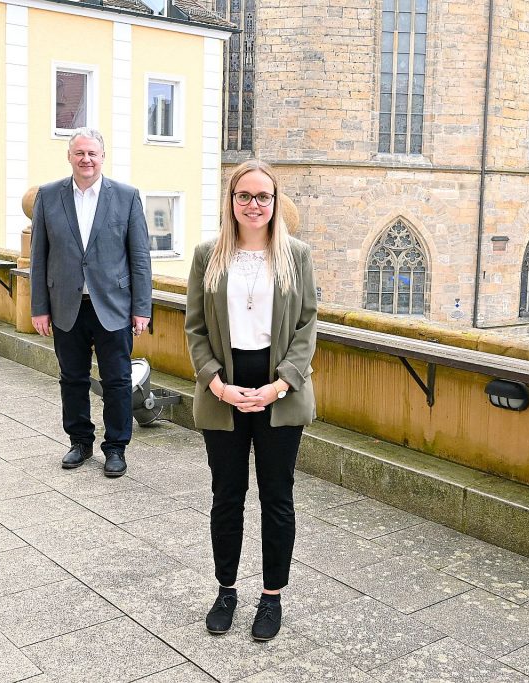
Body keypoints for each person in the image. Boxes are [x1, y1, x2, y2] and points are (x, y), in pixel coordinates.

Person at [184, 159, 317, 642]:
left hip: (279, 390)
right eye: (245, 196)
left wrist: (279, 384)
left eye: (263, 196)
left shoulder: (296, 255)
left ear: (276, 202)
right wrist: (216, 384)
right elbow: (195, 329)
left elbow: (307, 328)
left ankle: (272, 597)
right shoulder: (207, 255)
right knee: (227, 496)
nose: (254, 204)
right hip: (225, 387)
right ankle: (226, 590)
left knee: (277, 498)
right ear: (231, 201)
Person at [30, 127, 152, 478]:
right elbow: (39, 256)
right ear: (69, 156)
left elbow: (139, 257)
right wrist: (39, 306)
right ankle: (80, 442)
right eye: (79, 153)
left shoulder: (126, 197)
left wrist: (141, 307)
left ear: (102, 157)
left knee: (117, 380)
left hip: (113, 305)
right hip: (66, 305)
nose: (86, 159)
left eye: (92, 154)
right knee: (72, 378)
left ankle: (115, 447)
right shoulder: (49, 196)